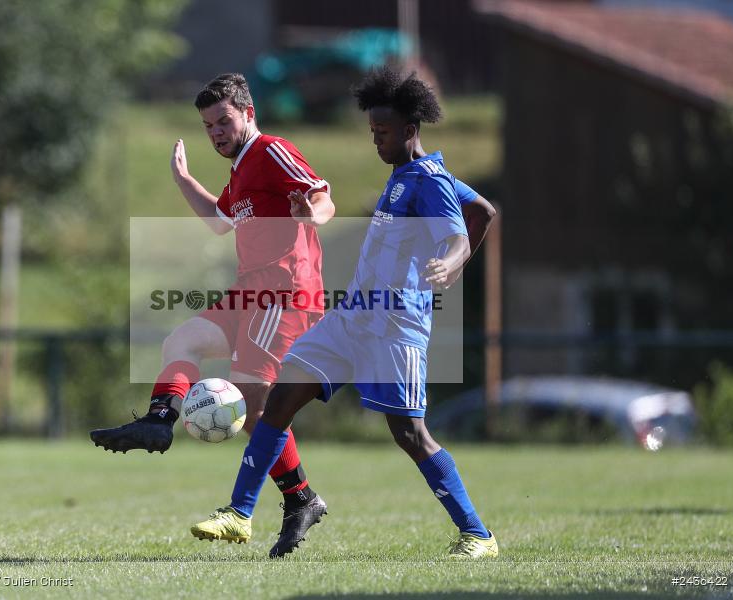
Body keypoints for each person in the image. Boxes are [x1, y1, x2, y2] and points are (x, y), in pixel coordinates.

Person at [190, 67, 499, 559]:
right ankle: (239, 512)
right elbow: (483, 209)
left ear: (410, 130)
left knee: (410, 434)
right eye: (372, 131)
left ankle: (478, 534)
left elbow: (461, 231)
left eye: (383, 133)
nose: (375, 141)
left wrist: (455, 261)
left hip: (395, 325)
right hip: (350, 318)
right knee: (279, 399)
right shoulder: (407, 176)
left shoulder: (429, 181)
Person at [89, 73, 336, 550]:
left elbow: (322, 198)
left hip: (283, 293)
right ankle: (160, 421)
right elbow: (220, 222)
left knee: (254, 402)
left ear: (249, 114)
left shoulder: (269, 151)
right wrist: (183, 179)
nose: (217, 131)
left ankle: (291, 501)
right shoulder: (241, 169)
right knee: (181, 342)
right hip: (251, 290)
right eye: (208, 126)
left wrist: (313, 213)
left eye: (224, 120)